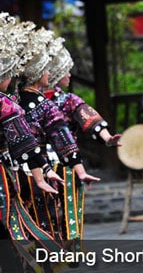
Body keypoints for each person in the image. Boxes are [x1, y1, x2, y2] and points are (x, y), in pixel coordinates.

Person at [16, 28, 102, 245]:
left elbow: (87, 117)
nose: (49, 73)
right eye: (46, 69)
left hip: (18, 169)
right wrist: (79, 170)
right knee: (46, 217)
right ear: (38, 74)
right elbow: (62, 138)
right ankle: (54, 255)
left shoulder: (11, 102)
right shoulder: (43, 106)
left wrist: (105, 134)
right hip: (43, 166)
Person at [0, 13, 62, 272]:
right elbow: (23, 143)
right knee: (10, 232)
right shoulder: (5, 105)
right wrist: (40, 176)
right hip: (2, 180)